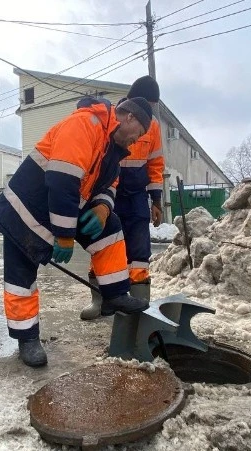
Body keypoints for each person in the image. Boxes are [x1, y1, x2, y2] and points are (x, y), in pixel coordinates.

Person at [0, 97, 154, 367]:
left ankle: (114, 295)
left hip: (62, 206)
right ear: (130, 118)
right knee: (21, 276)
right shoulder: (85, 125)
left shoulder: (112, 149)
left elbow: (109, 184)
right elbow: (62, 181)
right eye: (140, 134)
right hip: (25, 209)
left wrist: (102, 207)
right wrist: (64, 236)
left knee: (109, 227)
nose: (137, 140)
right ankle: (27, 338)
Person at [80, 76, 165, 320]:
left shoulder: (154, 126)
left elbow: (155, 163)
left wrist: (156, 200)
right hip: (108, 191)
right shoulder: (112, 119)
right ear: (131, 102)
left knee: (139, 253)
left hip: (136, 196)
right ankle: (100, 302)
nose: (148, 111)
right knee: (102, 246)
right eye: (146, 104)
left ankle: (140, 307)